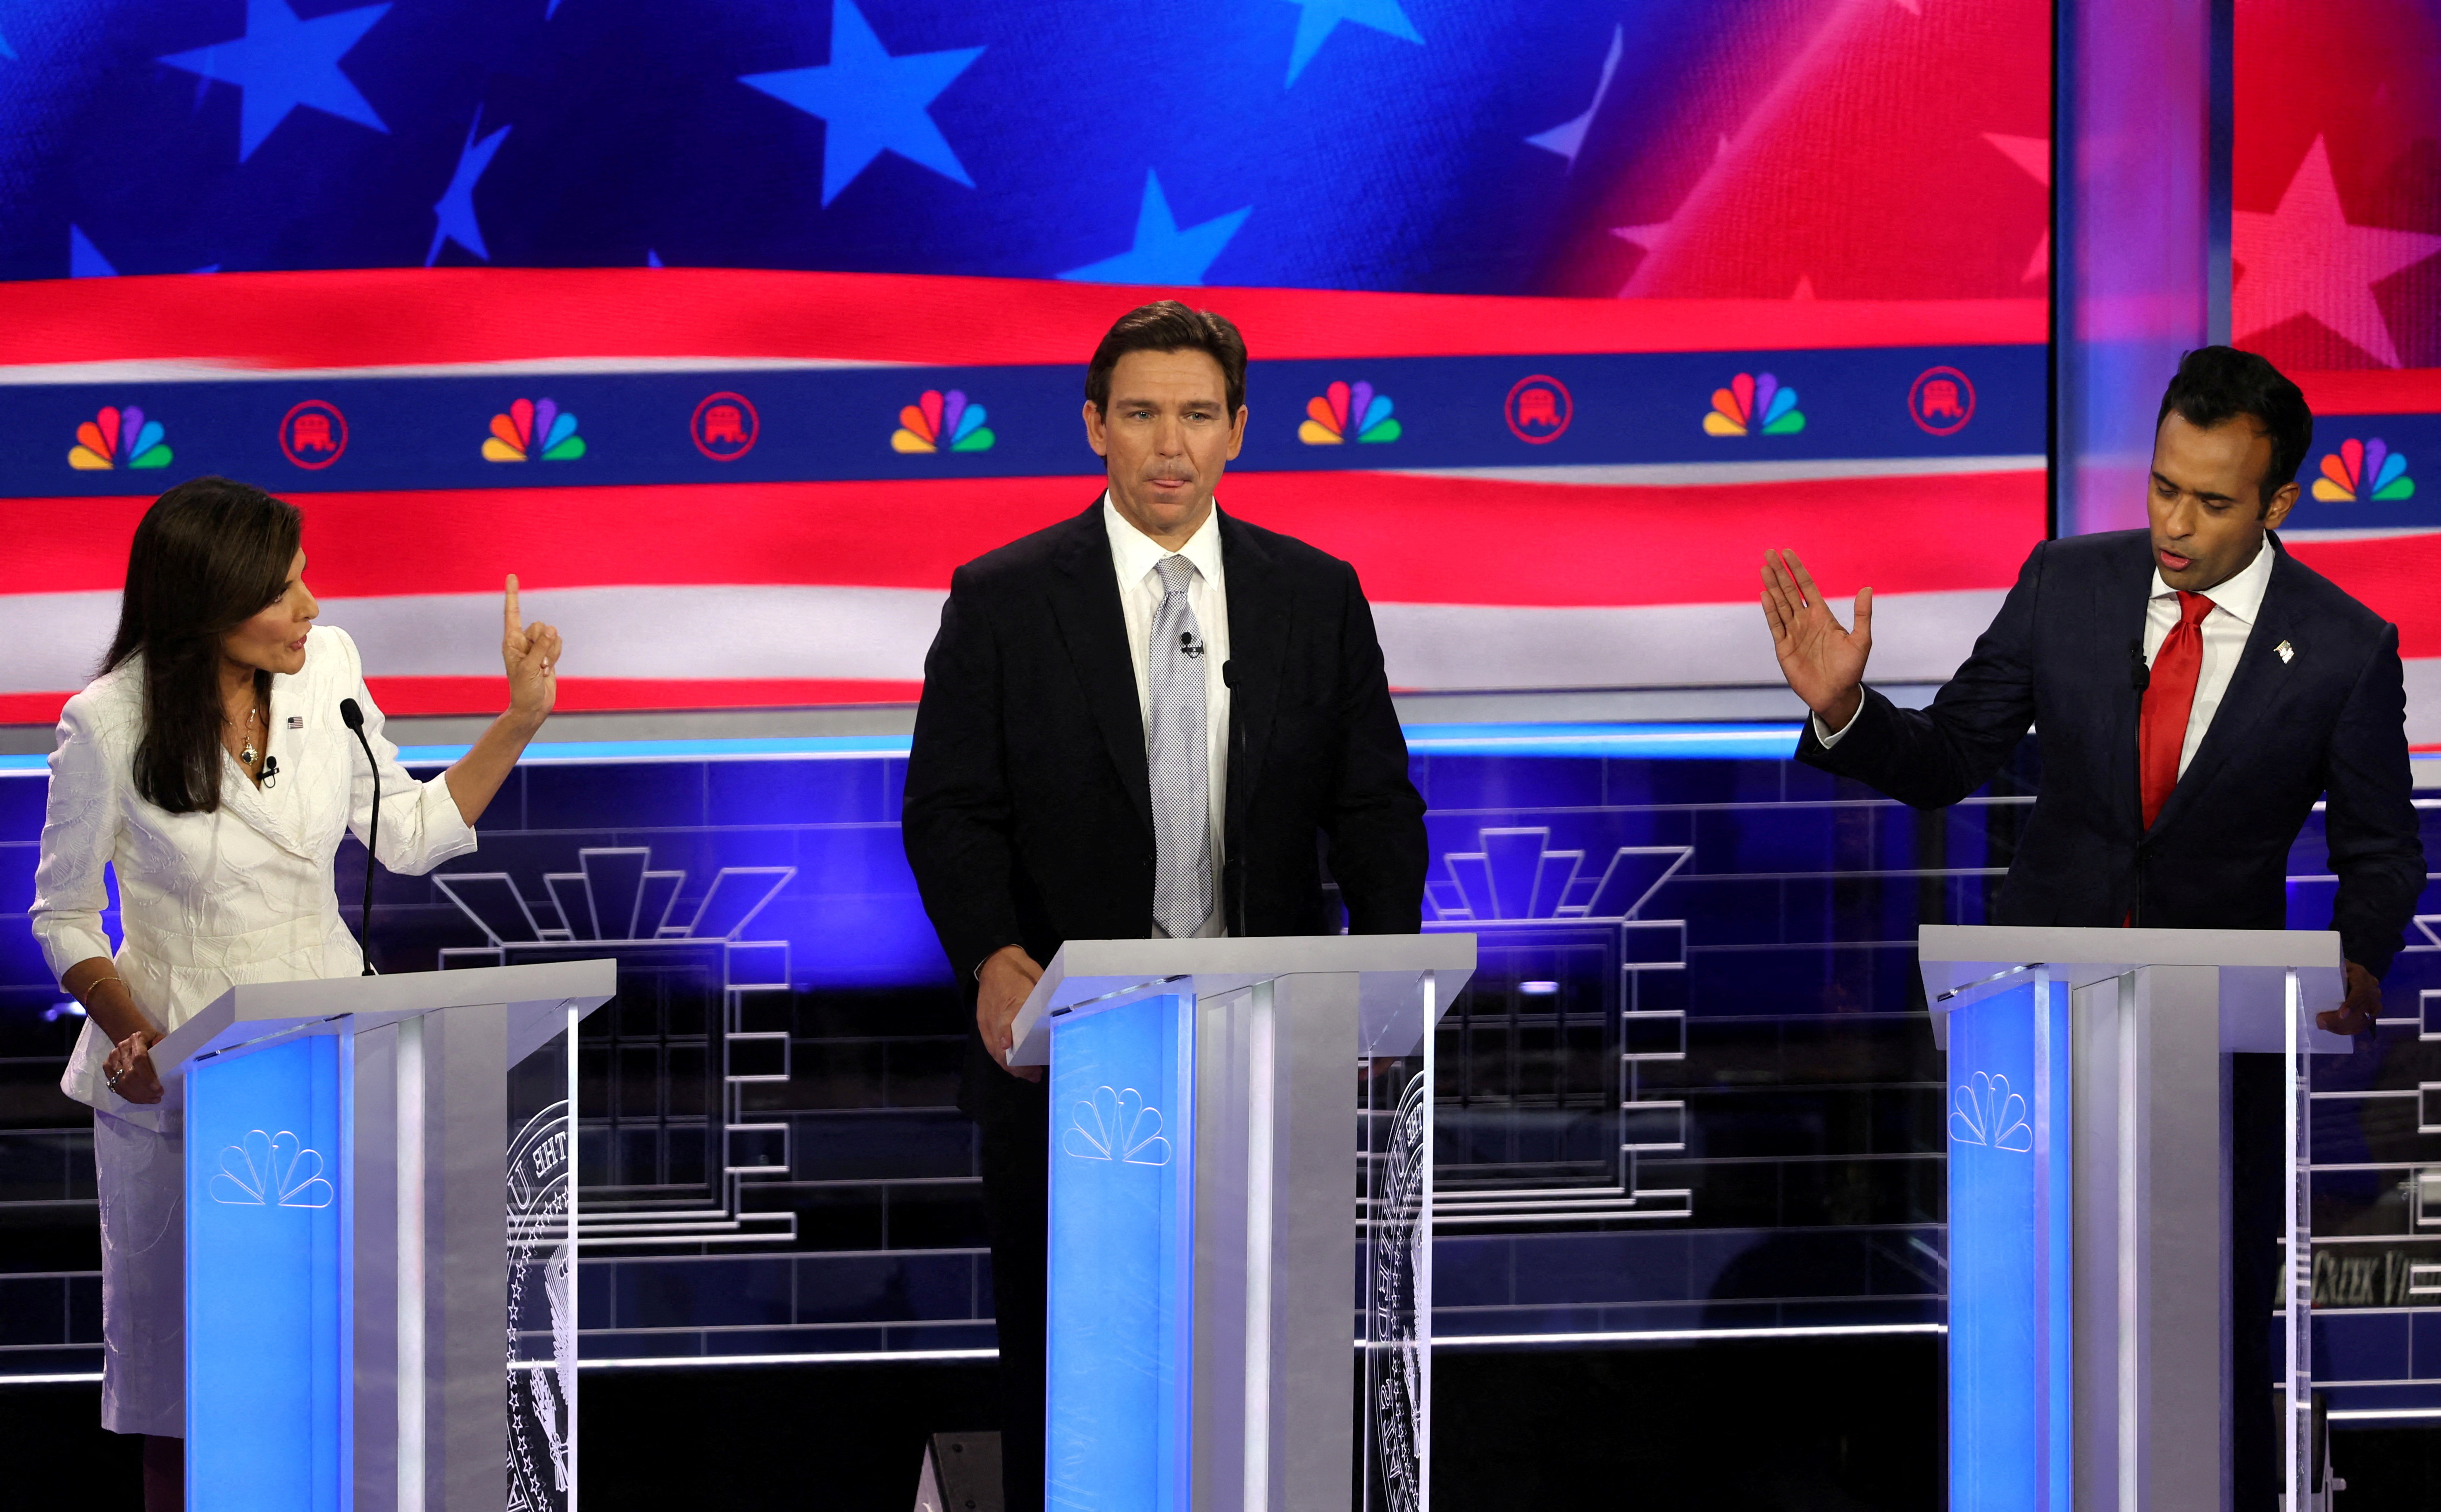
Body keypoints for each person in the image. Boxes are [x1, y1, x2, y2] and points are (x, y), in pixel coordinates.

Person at [1760, 345, 2425, 1508]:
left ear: (2276, 503)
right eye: (2162, 486)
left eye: (2211, 501)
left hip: (2216, 1055)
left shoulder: (2341, 646)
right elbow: (1949, 759)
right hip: (2033, 1022)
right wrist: (1848, 710)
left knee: (2204, 1319)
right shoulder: (2065, 584)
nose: (2174, 522)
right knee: (2028, 1314)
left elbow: (2379, 849)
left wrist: (2357, 958)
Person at [901, 300, 1427, 1512]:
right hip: (1067, 1053)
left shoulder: (1316, 596)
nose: (1168, 443)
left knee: (1258, 1350)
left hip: (1262, 1046)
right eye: (1140, 413)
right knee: (1071, 1362)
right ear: (1096, 424)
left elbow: (1374, 810)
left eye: (1197, 414)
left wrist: (1374, 975)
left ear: (1239, 428)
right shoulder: (1004, 598)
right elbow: (948, 808)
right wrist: (990, 951)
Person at [28, 476, 563, 1512]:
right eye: (282, 590)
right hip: (180, 1091)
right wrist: (136, 1038)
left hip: (325, 1065)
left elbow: (405, 834)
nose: (310, 606)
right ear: (203, 605)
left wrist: (520, 718)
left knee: (336, 1384)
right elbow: (62, 917)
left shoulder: (330, 668)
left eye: (304, 578)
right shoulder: (104, 722)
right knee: (194, 1409)